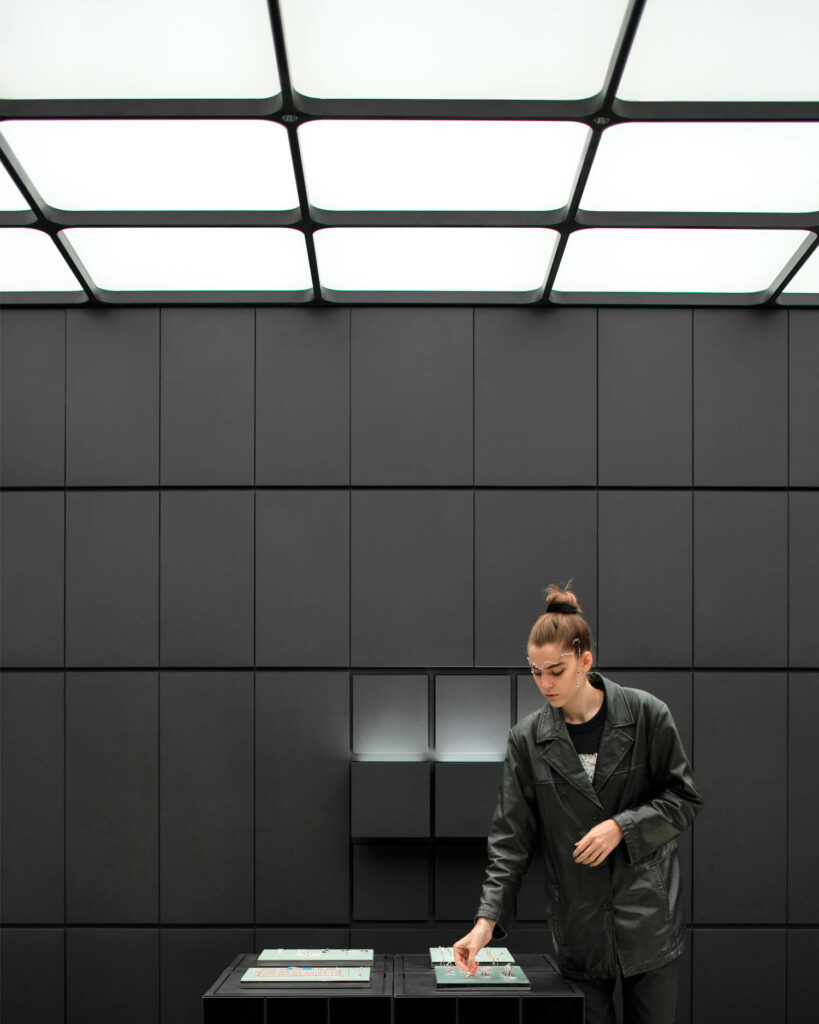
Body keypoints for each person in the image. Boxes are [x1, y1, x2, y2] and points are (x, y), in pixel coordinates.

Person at [451, 582, 704, 1024]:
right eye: (535, 671)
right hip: (579, 928)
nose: (544, 683)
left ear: (585, 661)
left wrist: (621, 827)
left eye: (556, 670)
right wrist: (485, 922)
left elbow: (683, 799)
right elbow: (510, 840)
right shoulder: (526, 739)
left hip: (648, 923)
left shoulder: (648, 715)